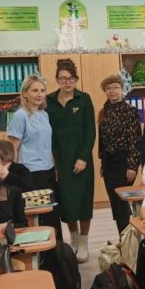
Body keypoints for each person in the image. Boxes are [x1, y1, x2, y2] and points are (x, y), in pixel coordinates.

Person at [46, 58, 95, 262]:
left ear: (76, 79)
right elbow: (46, 133)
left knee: (83, 202)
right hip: (60, 159)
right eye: (63, 78)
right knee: (67, 202)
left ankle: (83, 242)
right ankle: (73, 239)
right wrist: (53, 162)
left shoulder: (84, 99)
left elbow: (90, 131)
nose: (67, 82)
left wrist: (83, 157)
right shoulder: (48, 101)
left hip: (81, 159)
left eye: (71, 78)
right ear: (57, 79)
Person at [7, 74, 63, 239]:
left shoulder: (44, 115)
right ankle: (40, 252)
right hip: (30, 174)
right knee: (39, 219)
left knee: (53, 216)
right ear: (25, 93)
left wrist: (55, 169)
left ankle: (55, 251)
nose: (39, 94)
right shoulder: (20, 116)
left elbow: (47, 144)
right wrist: (13, 176)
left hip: (48, 171)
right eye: (35, 90)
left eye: (42, 90)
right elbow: (13, 148)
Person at [98, 73, 142, 234]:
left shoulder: (130, 111)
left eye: (116, 87)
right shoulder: (103, 112)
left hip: (124, 162)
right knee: (115, 204)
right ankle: (123, 238)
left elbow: (135, 140)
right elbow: (102, 141)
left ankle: (129, 238)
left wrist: (132, 166)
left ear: (122, 90)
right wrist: (102, 163)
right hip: (109, 163)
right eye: (108, 88)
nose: (112, 91)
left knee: (122, 202)